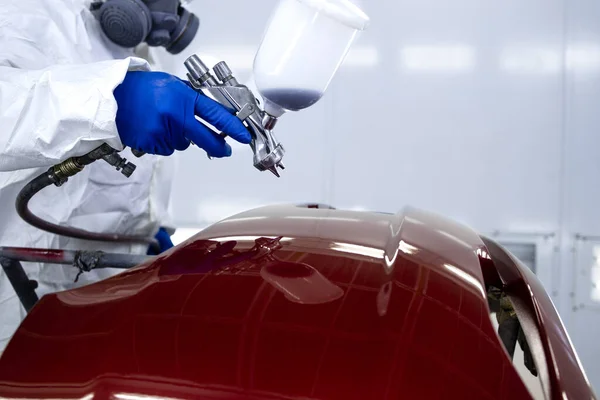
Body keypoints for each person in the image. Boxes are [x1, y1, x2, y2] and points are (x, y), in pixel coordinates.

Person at [0, 0, 252, 351]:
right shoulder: (19, 14)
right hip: (13, 308)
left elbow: (111, 184)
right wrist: (108, 101)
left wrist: (145, 239)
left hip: (97, 303)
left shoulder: (136, 42)